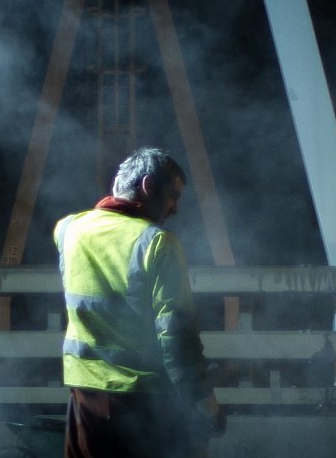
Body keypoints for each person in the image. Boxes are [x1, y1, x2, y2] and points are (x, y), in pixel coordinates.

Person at [54, 147, 226, 458]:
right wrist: (207, 406)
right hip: (143, 405)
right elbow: (178, 341)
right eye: (173, 195)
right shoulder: (158, 243)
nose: (174, 208)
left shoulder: (68, 230)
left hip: (85, 401)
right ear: (147, 186)